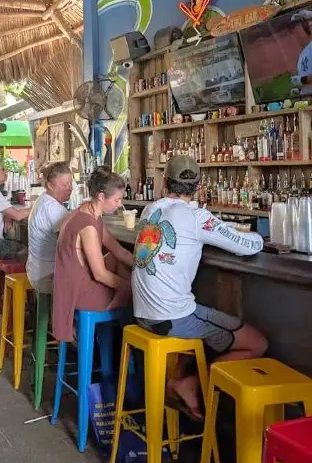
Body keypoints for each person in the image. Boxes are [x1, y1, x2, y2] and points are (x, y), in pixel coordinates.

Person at [133, 155, 267, 419]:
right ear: (197, 187)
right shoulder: (197, 217)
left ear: (164, 183)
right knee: (257, 343)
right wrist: (257, 235)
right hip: (170, 316)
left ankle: (186, 383)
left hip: (141, 314)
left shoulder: (150, 210)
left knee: (198, 333)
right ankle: (188, 386)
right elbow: (249, 246)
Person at [52, 166, 134, 342]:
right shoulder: (88, 226)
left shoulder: (88, 212)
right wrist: (131, 286)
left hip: (76, 283)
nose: (120, 205)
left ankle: (116, 354)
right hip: (78, 293)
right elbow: (100, 274)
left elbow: (118, 250)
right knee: (135, 296)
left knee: (116, 260)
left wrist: (141, 265)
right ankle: (126, 358)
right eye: (117, 200)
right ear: (102, 197)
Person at [26, 162, 72, 294]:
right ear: (50, 185)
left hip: (36, 271)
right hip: (47, 276)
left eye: (70, 183)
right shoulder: (53, 208)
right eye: (64, 185)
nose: (70, 188)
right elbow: (67, 246)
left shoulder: (43, 199)